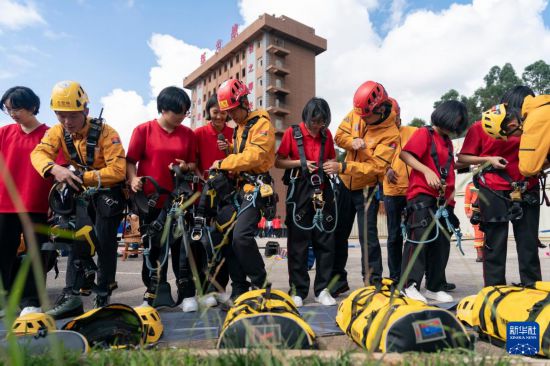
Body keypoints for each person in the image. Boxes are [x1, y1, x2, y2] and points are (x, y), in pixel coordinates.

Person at [31, 81, 126, 318]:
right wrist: (54, 168)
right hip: (81, 191)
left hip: (108, 192)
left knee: (104, 242)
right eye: (60, 116)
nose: (66, 122)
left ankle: (103, 294)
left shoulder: (107, 133)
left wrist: (83, 176)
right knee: (76, 238)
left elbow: (118, 171)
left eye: (72, 115)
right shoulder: (57, 132)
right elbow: (39, 153)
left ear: (85, 110)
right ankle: (71, 296)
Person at [126, 86, 200, 312]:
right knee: (154, 249)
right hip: (151, 201)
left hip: (179, 201)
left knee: (182, 249)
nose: (183, 117)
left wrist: (184, 166)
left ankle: (187, 294)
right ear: (165, 109)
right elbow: (130, 161)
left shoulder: (188, 134)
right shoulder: (143, 130)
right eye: (180, 112)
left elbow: (193, 164)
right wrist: (133, 179)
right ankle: (152, 294)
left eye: (186, 112)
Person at [469, 85, 543, 286]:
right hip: (494, 190)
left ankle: (532, 286)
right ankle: (494, 288)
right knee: (495, 242)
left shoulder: (536, 127)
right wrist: (488, 159)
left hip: (527, 188)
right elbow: (463, 159)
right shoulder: (481, 127)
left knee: (528, 243)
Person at [331, 80, 400, 294]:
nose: (362, 119)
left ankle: (372, 283)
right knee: (338, 234)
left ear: (380, 109)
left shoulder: (391, 134)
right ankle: (337, 281)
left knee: (367, 237)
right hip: (344, 184)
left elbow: (376, 168)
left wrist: (343, 165)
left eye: (366, 116)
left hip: (366, 189)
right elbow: (339, 136)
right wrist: (352, 141)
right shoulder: (357, 113)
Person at [211, 79, 275, 298]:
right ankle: (239, 287)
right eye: (228, 112)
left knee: (241, 236)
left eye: (233, 110)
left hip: (257, 186)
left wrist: (223, 162)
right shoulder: (239, 129)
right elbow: (243, 152)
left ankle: (261, 282)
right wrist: (229, 149)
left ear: (245, 102)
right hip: (239, 188)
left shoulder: (262, 124)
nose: (231, 116)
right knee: (227, 235)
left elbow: (255, 155)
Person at [400, 100, 468, 303]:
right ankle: (408, 285)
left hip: (444, 200)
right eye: (454, 120)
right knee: (420, 240)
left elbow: (448, 166)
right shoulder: (425, 133)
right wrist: (426, 170)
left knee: (441, 244)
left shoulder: (447, 141)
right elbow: (405, 154)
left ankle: (434, 285)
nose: (455, 126)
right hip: (423, 196)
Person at [0, 87, 57, 317]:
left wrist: (54, 201)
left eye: (17, 108)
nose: (12, 113)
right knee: (2, 252)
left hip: (37, 203)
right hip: (4, 202)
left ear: (33, 106)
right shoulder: (4, 133)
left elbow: (58, 171)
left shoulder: (51, 135)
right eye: (8, 109)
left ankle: (33, 301)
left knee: (36, 253)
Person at [276, 97, 337, 307]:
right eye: (314, 122)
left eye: (322, 123)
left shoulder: (326, 135)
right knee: (297, 244)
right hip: (299, 191)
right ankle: (298, 290)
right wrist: (301, 163)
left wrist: (331, 164)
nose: (317, 127)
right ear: (307, 117)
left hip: (322, 190)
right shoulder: (292, 133)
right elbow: (279, 161)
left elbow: (331, 158)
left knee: (326, 241)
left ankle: (323, 289)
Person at [382, 97, 417, 282]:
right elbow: (372, 160)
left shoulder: (414, 132)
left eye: (394, 116)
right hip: (392, 192)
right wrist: (385, 169)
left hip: (413, 192)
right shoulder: (380, 137)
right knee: (394, 235)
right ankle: (395, 276)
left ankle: (411, 273)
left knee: (415, 234)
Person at [194, 94, 233, 179]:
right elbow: (193, 162)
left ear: (228, 113)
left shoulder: (235, 133)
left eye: (223, 113)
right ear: (208, 111)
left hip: (229, 188)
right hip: (204, 187)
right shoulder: (198, 133)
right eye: (215, 112)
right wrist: (201, 179)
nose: (219, 117)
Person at [463, 181, 484, 262]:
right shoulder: (470, 185)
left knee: (489, 232)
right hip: (476, 211)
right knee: (478, 232)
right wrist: (467, 212)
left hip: (487, 210)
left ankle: (487, 253)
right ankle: (480, 254)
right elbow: (467, 200)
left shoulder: (487, 181)